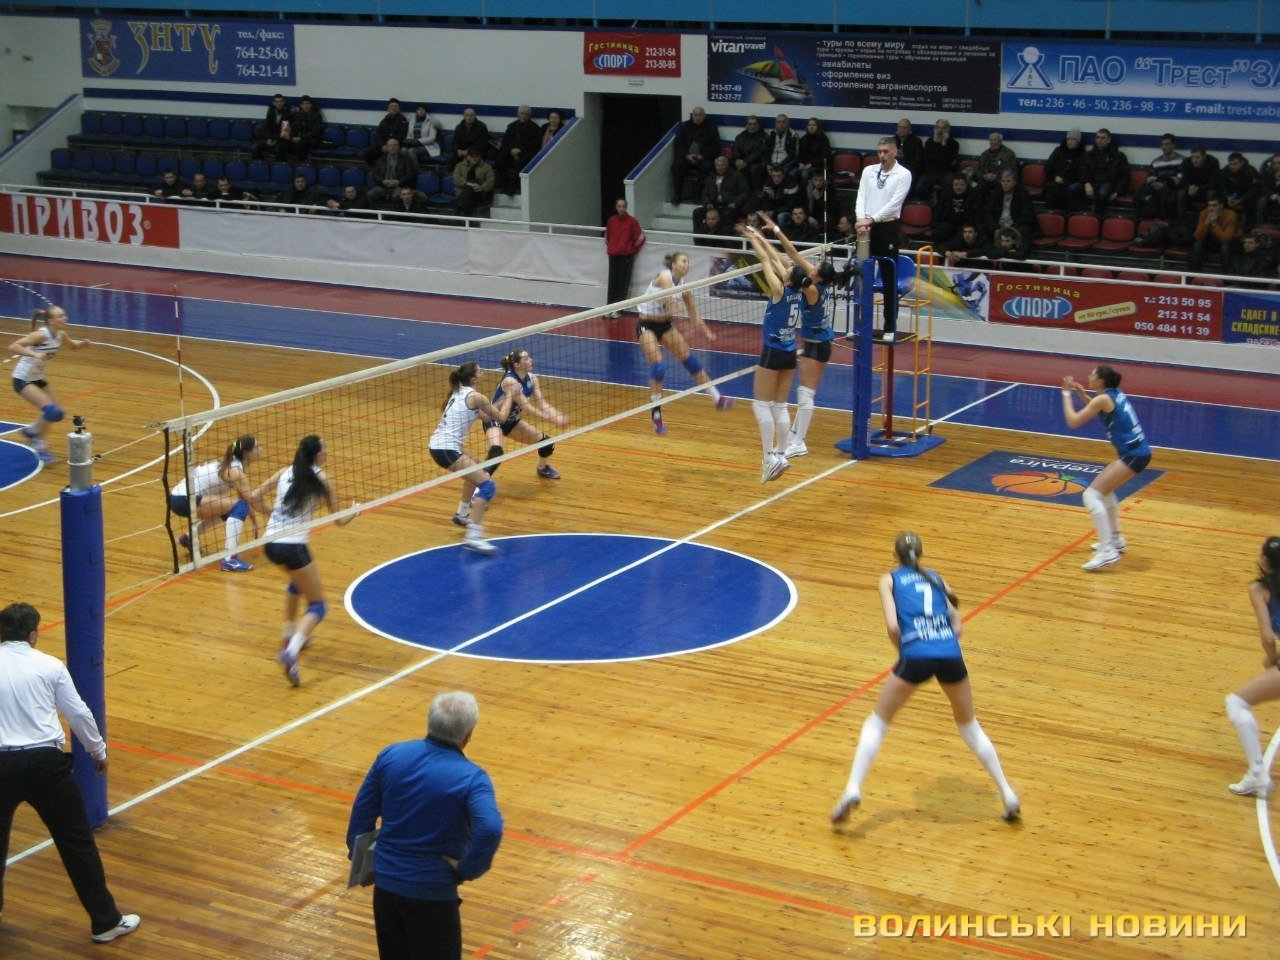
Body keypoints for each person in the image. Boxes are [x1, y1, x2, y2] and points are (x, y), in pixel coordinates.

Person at [830, 533, 1020, 825]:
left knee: (877, 722)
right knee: (969, 725)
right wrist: (942, 641)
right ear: (921, 553)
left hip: (916, 654)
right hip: (950, 654)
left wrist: (906, 653)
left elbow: (893, 626)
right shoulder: (936, 578)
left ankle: (852, 789)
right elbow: (957, 623)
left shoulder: (889, 580)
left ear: (895, 556)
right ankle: (1007, 793)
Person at [0, 601, 141, 943]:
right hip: (46, 765)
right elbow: (78, 713)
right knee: (77, 844)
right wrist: (98, 751)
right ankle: (105, 921)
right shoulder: (49, 666)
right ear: (33, 634)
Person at [347, 690, 503, 960]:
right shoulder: (472, 779)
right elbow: (490, 828)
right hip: (433, 895)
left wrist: (362, 863)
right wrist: (468, 869)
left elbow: (362, 814)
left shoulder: (391, 756)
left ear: (430, 722)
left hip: (387, 890)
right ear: (468, 733)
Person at [257, 435, 360, 685]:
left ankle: (288, 636)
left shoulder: (284, 472)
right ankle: (291, 652)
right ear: (317, 454)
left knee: (296, 584)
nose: (328, 452)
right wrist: (355, 511)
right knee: (318, 606)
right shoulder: (322, 478)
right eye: (325, 449)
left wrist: (274, 516)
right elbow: (339, 520)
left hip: (269, 544)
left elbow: (253, 496)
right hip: (293, 548)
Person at [1060, 364, 1151, 571]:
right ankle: (1116, 540)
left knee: (1091, 495)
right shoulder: (1112, 394)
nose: (1089, 376)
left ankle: (1108, 550)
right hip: (1138, 453)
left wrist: (1065, 394)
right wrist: (1084, 396)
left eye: (1092, 374)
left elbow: (1073, 421)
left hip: (1134, 454)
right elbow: (1101, 408)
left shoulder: (1102, 399)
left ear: (1100, 381)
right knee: (1105, 493)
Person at [738, 222, 809, 482]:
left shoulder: (779, 291)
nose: (785, 268)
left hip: (772, 352)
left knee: (760, 405)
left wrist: (752, 239)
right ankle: (781, 454)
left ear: (788, 278)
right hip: (790, 353)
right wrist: (759, 235)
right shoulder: (800, 293)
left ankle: (769, 458)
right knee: (780, 405)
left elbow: (767, 261)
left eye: (787, 270)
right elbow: (779, 262)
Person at [762, 213, 837, 460]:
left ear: (819, 277)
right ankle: (795, 438)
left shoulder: (813, 290)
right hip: (818, 343)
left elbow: (790, 268)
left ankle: (799, 442)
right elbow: (793, 257)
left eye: (814, 269)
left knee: (805, 394)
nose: (811, 268)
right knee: (804, 393)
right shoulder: (815, 283)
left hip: (818, 345)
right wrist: (774, 231)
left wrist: (768, 254)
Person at [635, 252, 734, 436]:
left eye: (688, 262)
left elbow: (694, 315)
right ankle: (656, 414)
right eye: (683, 261)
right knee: (659, 367)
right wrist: (674, 307)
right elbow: (669, 300)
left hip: (665, 325)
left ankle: (717, 398)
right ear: (673, 264)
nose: (686, 264)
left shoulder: (684, 287)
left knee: (691, 362)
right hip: (646, 325)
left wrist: (706, 332)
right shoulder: (664, 277)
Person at [430, 361, 509, 553]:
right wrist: (511, 396)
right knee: (488, 486)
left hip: (440, 446)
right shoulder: (476, 397)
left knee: (476, 468)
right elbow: (502, 418)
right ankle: (474, 537)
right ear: (474, 379)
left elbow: (486, 416)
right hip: (446, 449)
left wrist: (501, 401)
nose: (483, 373)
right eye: (480, 371)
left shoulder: (459, 391)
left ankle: (462, 515)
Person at [1224, 537, 1280, 798]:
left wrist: (1271, 658)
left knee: (1236, 703)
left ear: (1265, 561)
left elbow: (1268, 637)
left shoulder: (1259, 590)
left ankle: (1257, 773)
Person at [9, 306, 91, 464]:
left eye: (64, 315)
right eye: (61, 316)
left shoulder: (60, 334)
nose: (65, 318)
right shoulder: (41, 335)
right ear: (51, 321)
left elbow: (72, 346)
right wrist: (35, 354)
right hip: (22, 378)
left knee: (58, 413)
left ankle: (32, 430)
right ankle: (39, 444)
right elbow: (14, 346)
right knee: (51, 410)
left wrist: (82, 344)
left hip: (37, 377)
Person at [169, 434, 262, 572]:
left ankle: (188, 538)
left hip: (178, 498)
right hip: (185, 499)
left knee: (232, 509)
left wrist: (254, 520)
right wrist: (272, 512)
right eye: (257, 447)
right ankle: (229, 559)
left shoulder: (234, 464)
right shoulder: (235, 471)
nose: (260, 449)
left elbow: (244, 500)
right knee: (238, 507)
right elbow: (249, 501)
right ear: (247, 453)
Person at [482, 348, 570, 482]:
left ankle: (542, 468)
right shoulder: (510, 381)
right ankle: (480, 483)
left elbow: (543, 404)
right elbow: (528, 408)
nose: (531, 360)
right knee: (496, 453)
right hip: (494, 420)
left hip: (510, 422)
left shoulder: (532, 378)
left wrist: (558, 415)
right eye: (526, 358)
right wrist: (553, 420)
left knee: (546, 443)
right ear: (517, 365)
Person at [854, 137, 912, 340]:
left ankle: (889, 328)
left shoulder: (903, 174)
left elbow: (895, 203)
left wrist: (871, 219)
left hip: (887, 227)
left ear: (895, 152)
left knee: (889, 279)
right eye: (879, 151)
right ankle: (860, 325)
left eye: (886, 151)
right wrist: (861, 220)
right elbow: (861, 196)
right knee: (861, 276)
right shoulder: (868, 171)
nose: (882, 155)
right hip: (865, 228)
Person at [670, 106, 721, 204]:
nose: (698, 117)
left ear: (704, 116)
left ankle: (698, 195)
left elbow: (715, 146)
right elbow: (678, 144)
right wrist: (686, 155)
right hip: (687, 157)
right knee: (677, 165)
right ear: (692, 116)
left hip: (703, 157)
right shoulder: (685, 126)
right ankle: (678, 195)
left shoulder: (711, 127)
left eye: (700, 115)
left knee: (706, 167)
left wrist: (702, 156)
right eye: (695, 115)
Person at [604, 197, 645, 315]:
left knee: (622, 282)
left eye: (623, 206)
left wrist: (631, 249)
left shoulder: (632, 222)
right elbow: (607, 238)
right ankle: (608, 308)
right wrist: (612, 247)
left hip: (626, 256)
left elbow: (641, 237)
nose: (621, 208)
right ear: (616, 207)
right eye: (619, 206)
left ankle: (618, 309)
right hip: (613, 255)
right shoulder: (611, 221)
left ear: (626, 207)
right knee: (612, 281)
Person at [1078, 128, 1130, 217]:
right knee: (1073, 189)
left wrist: (1117, 192)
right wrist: (1086, 183)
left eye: (1103, 138)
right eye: (1097, 137)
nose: (1099, 140)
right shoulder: (1088, 155)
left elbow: (1124, 176)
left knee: (1103, 193)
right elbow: (1082, 171)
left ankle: (1096, 217)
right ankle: (1075, 215)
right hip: (1090, 184)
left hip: (1108, 184)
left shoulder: (1119, 156)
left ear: (1109, 140)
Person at [694, 154, 750, 232]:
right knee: (697, 212)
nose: (720, 167)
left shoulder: (737, 175)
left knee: (727, 214)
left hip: (729, 206)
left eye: (722, 165)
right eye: (718, 165)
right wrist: (707, 203)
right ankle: (698, 236)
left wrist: (735, 203)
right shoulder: (710, 177)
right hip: (714, 205)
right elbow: (705, 193)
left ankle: (726, 237)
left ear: (727, 165)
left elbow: (744, 192)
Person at [1189, 193, 1242, 274]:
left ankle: (1226, 277)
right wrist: (1206, 222)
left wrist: (1214, 224)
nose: (1211, 208)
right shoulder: (1204, 213)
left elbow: (1226, 239)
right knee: (1197, 245)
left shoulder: (1231, 215)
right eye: (1209, 206)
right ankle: (1193, 275)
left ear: (1221, 206)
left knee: (1225, 248)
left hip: (1230, 242)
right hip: (1212, 240)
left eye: (1214, 205)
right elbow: (1198, 236)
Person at [495, 105, 541, 196]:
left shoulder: (535, 128)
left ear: (529, 115)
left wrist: (520, 150)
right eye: (522, 113)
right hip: (510, 152)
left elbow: (535, 145)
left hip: (526, 154)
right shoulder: (511, 126)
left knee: (522, 162)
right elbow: (505, 143)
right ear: (518, 114)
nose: (523, 116)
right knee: (500, 160)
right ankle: (503, 185)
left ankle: (514, 187)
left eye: (526, 114)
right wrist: (511, 150)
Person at [1134, 133, 1183, 220]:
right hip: (1156, 186)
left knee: (1166, 197)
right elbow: (1151, 177)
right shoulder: (1156, 162)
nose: (1164, 147)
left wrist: (1164, 184)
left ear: (1174, 145)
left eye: (1167, 144)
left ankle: (1163, 221)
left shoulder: (1181, 160)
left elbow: (1180, 178)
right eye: (1162, 144)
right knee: (1138, 195)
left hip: (1172, 187)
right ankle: (1139, 221)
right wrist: (1154, 183)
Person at [981, 169, 1037, 244]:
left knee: (1024, 230)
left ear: (1014, 182)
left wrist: (1014, 227)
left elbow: (1026, 214)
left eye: (1008, 181)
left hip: (1016, 224)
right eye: (1003, 181)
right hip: (998, 224)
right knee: (982, 228)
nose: (1005, 184)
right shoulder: (997, 192)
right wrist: (994, 226)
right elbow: (988, 212)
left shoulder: (1022, 193)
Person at [1041, 129, 1086, 212]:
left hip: (1071, 183)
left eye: (1073, 139)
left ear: (1078, 142)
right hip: (1054, 180)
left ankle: (1067, 214)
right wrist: (1055, 176)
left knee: (1072, 189)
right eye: (1068, 139)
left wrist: (1066, 181)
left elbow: (1082, 174)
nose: (1069, 142)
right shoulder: (1058, 151)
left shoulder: (1082, 155)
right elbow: (1048, 167)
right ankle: (1052, 213)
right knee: (1053, 189)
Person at [914, 118, 959, 200]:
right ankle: (927, 204)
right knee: (919, 187)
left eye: (943, 128)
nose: (940, 130)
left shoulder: (954, 144)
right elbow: (927, 160)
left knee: (950, 186)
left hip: (946, 172)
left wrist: (944, 144)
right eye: (938, 127)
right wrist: (940, 158)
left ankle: (943, 204)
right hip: (931, 172)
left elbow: (948, 161)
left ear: (948, 129)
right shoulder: (929, 142)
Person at [368, 138, 421, 207]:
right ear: (386, 147)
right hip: (384, 186)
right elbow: (375, 175)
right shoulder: (380, 160)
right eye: (390, 145)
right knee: (370, 194)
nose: (393, 147)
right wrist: (382, 181)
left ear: (399, 147)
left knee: (398, 195)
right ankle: (378, 211)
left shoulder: (406, 159)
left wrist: (398, 182)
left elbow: (410, 174)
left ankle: (393, 212)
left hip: (399, 186)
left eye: (395, 145)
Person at [968, 131, 1018, 202]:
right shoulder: (984, 154)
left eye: (996, 140)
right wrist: (984, 175)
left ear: (1000, 141)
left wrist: (997, 176)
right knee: (977, 190)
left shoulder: (1009, 154)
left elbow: (1011, 170)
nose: (993, 142)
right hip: (986, 179)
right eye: (991, 140)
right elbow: (978, 170)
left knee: (997, 193)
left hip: (1001, 180)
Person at [931, 172, 979, 246]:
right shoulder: (947, 193)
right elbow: (939, 209)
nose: (958, 187)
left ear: (966, 185)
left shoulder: (974, 194)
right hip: (949, 222)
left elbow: (977, 213)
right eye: (956, 185)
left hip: (966, 223)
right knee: (937, 232)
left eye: (961, 185)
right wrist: (936, 224)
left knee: (963, 234)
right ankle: (940, 250)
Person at [452, 146, 495, 216]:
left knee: (468, 192)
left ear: (479, 156)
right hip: (462, 192)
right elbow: (456, 179)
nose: (474, 159)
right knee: (469, 189)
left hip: (479, 193)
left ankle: (458, 212)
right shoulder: (459, 166)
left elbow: (491, 181)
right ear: (467, 156)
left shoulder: (487, 167)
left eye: (476, 156)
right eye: (472, 156)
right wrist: (467, 183)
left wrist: (481, 187)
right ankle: (467, 216)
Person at [366, 98, 410, 166]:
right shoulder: (385, 120)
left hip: (397, 146)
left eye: (396, 106)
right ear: (388, 109)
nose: (393, 108)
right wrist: (382, 145)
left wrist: (390, 145)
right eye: (391, 106)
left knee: (403, 151)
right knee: (369, 153)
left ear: (399, 109)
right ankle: (377, 170)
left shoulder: (402, 120)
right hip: (384, 146)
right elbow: (379, 134)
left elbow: (402, 135)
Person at [731, 115, 767, 191]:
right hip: (741, 160)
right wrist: (737, 159)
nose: (752, 126)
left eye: (754, 124)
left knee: (754, 169)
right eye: (750, 124)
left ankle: (756, 192)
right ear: (746, 125)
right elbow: (735, 149)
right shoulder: (740, 136)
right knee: (726, 164)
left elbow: (759, 152)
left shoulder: (764, 137)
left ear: (758, 125)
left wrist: (745, 161)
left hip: (756, 162)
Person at [252, 92, 292, 161]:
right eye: (277, 101)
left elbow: (284, 131)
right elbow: (266, 128)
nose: (278, 103)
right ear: (273, 103)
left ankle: (278, 166)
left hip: (281, 139)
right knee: (255, 147)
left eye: (280, 101)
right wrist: (269, 138)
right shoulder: (270, 112)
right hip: (270, 137)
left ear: (283, 102)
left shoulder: (288, 114)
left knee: (280, 148)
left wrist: (275, 140)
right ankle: (261, 164)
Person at [795, 117, 831, 189]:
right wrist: (800, 163)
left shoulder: (823, 139)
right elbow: (799, 154)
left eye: (814, 125)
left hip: (817, 166)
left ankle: (804, 193)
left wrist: (811, 164)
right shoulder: (804, 139)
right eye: (809, 125)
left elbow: (825, 156)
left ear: (818, 127)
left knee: (804, 174)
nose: (811, 127)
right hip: (804, 165)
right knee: (792, 173)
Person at [287, 94, 325, 163]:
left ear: (311, 105)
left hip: (312, 140)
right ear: (301, 105)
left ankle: (301, 163)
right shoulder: (298, 115)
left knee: (300, 144)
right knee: (284, 143)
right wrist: (292, 137)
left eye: (307, 103)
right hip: (299, 138)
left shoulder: (317, 116)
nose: (305, 105)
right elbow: (294, 128)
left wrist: (301, 137)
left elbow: (315, 132)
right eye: (303, 104)